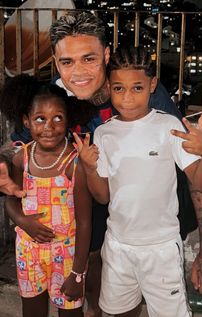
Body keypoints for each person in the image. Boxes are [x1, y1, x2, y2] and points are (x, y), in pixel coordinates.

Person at [0, 10, 202, 316]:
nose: (78, 72)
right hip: (95, 193)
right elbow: (18, 142)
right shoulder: (56, 95)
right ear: (55, 61)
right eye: (67, 62)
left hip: (151, 208)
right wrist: (5, 163)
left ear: (106, 55)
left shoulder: (142, 93)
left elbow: (194, 165)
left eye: (88, 58)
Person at [75, 46, 202, 317]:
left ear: (152, 85)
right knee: (119, 312)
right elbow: (103, 196)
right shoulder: (104, 133)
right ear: (108, 86)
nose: (127, 98)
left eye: (137, 88)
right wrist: (90, 168)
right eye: (118, 89)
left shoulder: (168, 127)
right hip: (118, 245)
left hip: (161, 248)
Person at [2, 74, 92, 317]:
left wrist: (78, 274)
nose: (49, 127)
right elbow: (11, 199)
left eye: (57, 118)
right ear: (27, 121)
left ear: (68, 120)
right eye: (40, 119)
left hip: (67, 257)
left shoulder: (75, 165)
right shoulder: (22, 158)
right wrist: (22, 221)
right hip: (28, 254)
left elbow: (84, 222)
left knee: (71, 313)